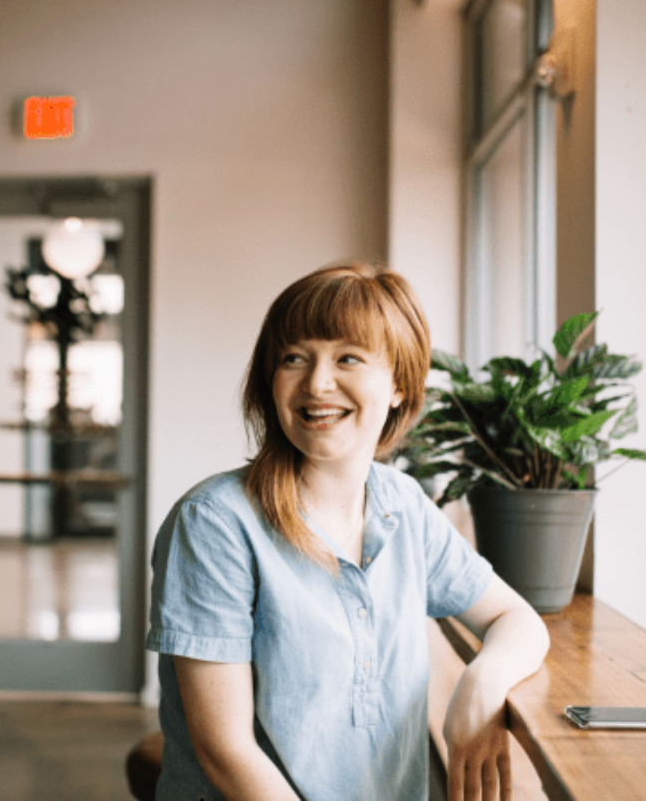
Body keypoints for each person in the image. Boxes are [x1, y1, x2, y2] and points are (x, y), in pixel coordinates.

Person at [146, 261, 550, 801]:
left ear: (400, 386)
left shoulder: (402, 504)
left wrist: (482, 683)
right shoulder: (214, 523)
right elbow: (226, 753)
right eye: (294, 358)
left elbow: (515, 618)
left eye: (347, 358)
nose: (316, 383)